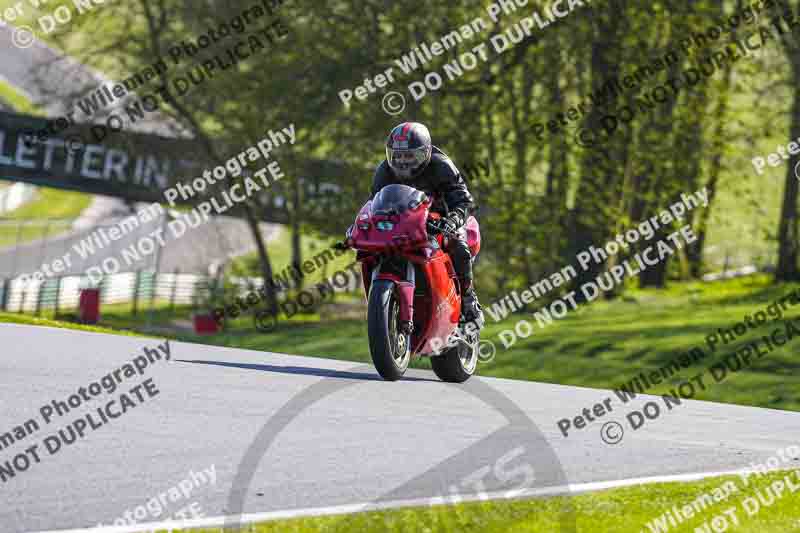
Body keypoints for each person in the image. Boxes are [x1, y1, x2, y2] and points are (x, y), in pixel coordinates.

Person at [369, 121, 483, 327]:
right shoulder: (384, 171)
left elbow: (463, 199)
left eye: (410, 156)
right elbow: (373, 203)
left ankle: (468, 299)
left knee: (457, 245)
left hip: (441, 219)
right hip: (403, 222)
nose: (403, 162)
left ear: (425, 153)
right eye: (398, 155)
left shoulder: (441, 166)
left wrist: (454, 219)